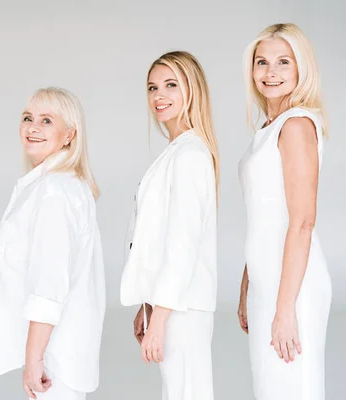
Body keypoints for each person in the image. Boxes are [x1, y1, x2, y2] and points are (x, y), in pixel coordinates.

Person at [0, 87, 106, 400]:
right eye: (27, 118)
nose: (32, 127)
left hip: (54, 358)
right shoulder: (54, 185)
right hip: (57, 352)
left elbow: (49, 284)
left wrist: (34, 359)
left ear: (69, 135)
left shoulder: (54, 191)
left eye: (46, 120)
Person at [237, 23, 332, 399]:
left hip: (294, 288)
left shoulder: (295, 126)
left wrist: (285, 308)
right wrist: (248, 283)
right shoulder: (267, 127)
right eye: (262, 62)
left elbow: (303, 222)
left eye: (282, 62)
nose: (270, 72)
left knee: (294, 389)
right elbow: (263, 215)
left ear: (300, 69)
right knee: (270, 388)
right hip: (267, 282)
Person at [120, 51, 219, 400]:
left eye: (171, 85)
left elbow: (183, 243)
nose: (159, 95)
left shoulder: (190, 155)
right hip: (170, 304)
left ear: (192, 89)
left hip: (183, 307)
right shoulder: (176, 151)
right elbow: (155, 238)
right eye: (152, 87)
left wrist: (159, 318)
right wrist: (147, 306)